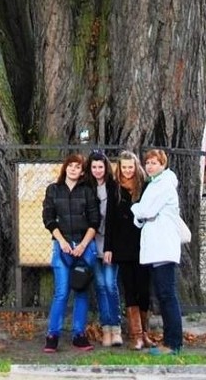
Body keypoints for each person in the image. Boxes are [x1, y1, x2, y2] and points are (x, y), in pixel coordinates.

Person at [41, 152, 100, 353]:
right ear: (66, 167)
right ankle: (52, 335)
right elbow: (48, 218)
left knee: (81, 291)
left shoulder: (87, 191)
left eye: (78, 167)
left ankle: (79, 335)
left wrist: (83, 245)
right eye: (71, 166)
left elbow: (95, 221)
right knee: (62, 291)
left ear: (83, 171)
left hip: (85, 247)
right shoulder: (53, 190)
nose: (74, 169)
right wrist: (63, 242)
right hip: (62, 246)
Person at [131, 147, 184, 355]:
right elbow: (143, 217)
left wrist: (136, 209)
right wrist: (142, 213)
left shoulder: (164, 185)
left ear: (163, 164)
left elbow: (145, 211)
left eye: (155, 162)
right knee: (163, 295)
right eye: (148, 163)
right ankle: (170, 340)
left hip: (163, 246)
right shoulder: (154, 184)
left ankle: (173, 344)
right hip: (156, 247)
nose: (150, 166)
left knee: (167, 294)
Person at [110, 149, 153, 349]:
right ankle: (136, 335)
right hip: (123, 245)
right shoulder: (115, 188)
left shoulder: (145, 186)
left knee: (144, 289)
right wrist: (109, 247)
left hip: (144, 243)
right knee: (129, 289)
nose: (127, 171)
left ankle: (145, 332)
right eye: (124, 167)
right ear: (119, 168)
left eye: (130, 167)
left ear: (136, 167)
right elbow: (110, 219)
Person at [85, 148, 123, 346]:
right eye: (94, 167)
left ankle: (116, 328)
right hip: (92, 242)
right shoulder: (87, 188)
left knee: (110, 285)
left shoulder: (113, 187)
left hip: (110, 244)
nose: (97, 170)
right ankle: (105, 328)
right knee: (99, 286)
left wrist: (110, 247)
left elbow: (116, 220)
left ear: (106, 167)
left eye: (100, 166)